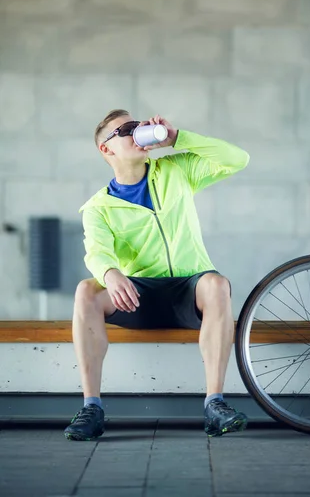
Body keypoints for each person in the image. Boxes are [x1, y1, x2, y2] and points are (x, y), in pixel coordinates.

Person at [64, 109, 250, 441]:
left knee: (217, 283)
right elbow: (96, 250)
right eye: (125, 130)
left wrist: (179, 138)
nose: (136, 132)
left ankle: (215, 404)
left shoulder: (176, 170)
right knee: (85, 291)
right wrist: (109, 273)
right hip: (139, 296)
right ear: (106, 149)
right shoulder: (98, 207)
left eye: (137, 126)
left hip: (187, 289)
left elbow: (237, 159)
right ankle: (91, 407)